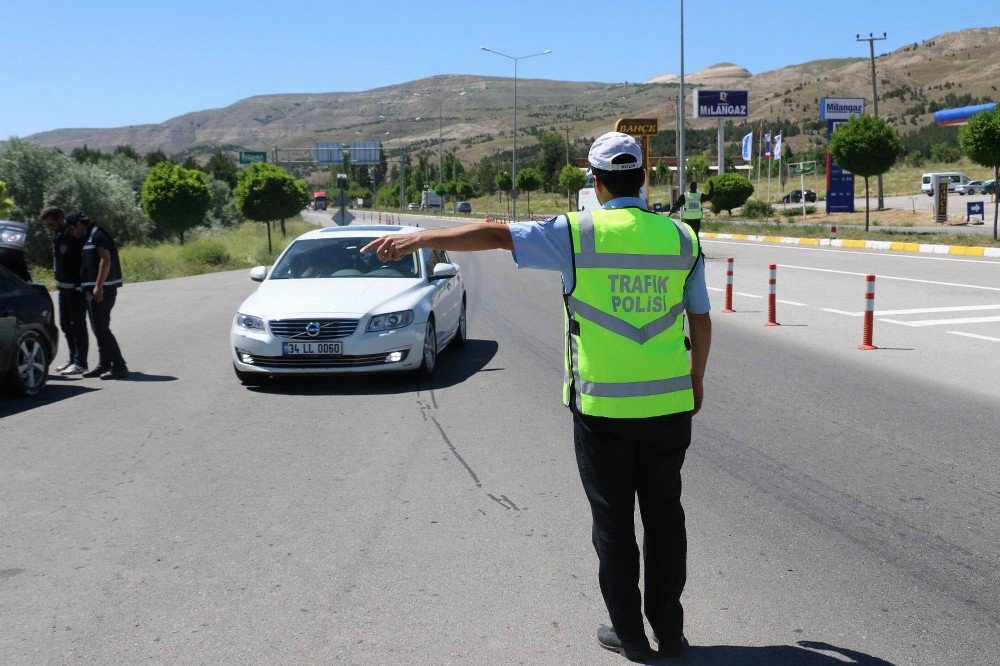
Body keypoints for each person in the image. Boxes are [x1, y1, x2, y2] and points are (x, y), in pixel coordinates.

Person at [361, 132, 712, 661]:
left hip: (602, 409)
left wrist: (417, 239)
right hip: (668, 404)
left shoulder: (576, 232)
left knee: (614, 523)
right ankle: (671, 631)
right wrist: (696, 378)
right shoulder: (682, 237)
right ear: (644, 177)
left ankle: (631, 636)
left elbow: (495, 235)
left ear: (594, 183)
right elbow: (701, 318)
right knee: (666, 518)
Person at [64, 213, 128, 380]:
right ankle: (104, 365)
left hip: (103, 290)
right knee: (98, 328)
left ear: (79, 223)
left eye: (72, 229)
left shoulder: (98, 234)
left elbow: (105, 259)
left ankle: (119, 366)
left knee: (101, 328)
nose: (72, 233)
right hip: (94, 290)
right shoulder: (89, 236)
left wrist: (99, 286)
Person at [39, 206, 90, 375]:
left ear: (61, 218)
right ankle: (72, 358)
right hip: (63, 288)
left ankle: (81, 362)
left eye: (52, 224)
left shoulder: (73, 234)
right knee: (65, 325)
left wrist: (80, 285)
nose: (50, 228)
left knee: (78, 325)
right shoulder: (59, 234)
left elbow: (82, 261)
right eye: (47, 226)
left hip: (75, 288)